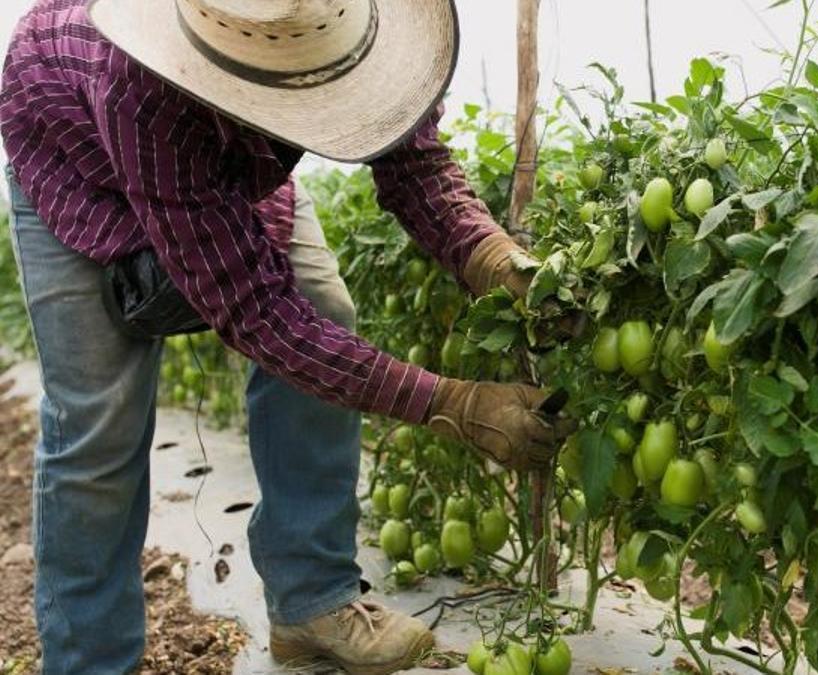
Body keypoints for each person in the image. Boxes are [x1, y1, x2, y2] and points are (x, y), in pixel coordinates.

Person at [0, 1, 571, 673]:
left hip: (219, 154)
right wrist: (456, 404)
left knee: (325, 304)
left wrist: (495, 259)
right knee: (100, 418)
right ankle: (88, 658)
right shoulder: (142, 79)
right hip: (74, 156)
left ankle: (312, 600)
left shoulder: (363, 30)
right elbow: (260, 315)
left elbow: (412, 164)